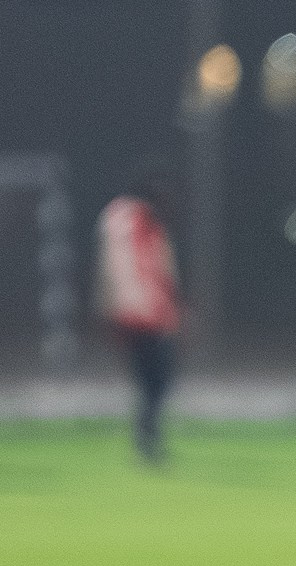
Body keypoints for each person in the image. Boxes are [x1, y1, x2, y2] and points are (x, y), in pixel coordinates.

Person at [94, 164, 181, 464]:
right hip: (141, 314)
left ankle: (147, 436)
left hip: (143, 313)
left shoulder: (133, 220)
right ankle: (147, 439)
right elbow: (125, 268)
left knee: (154, 381)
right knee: (155, 380)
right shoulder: (130, 219)